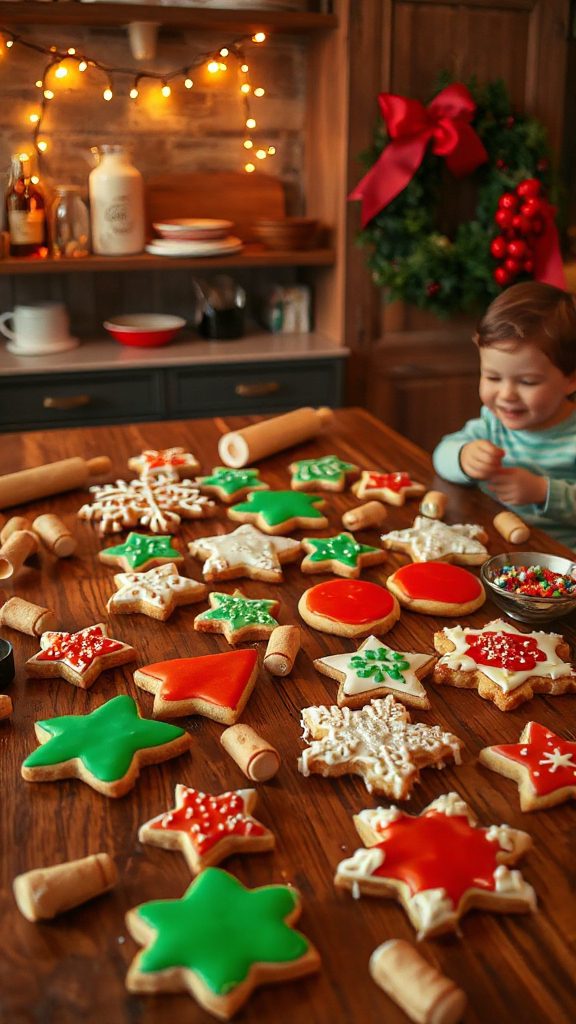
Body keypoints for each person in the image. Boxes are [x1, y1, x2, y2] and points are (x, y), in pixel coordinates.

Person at [432, 281, 576, 549]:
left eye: (528, 382)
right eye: (493, 377)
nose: (506, 394)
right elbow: (441, 454)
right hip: (495, 551)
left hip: (558, 568)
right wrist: (463, 458)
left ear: (570, 379)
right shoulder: (493, 424)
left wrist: (542, 491)